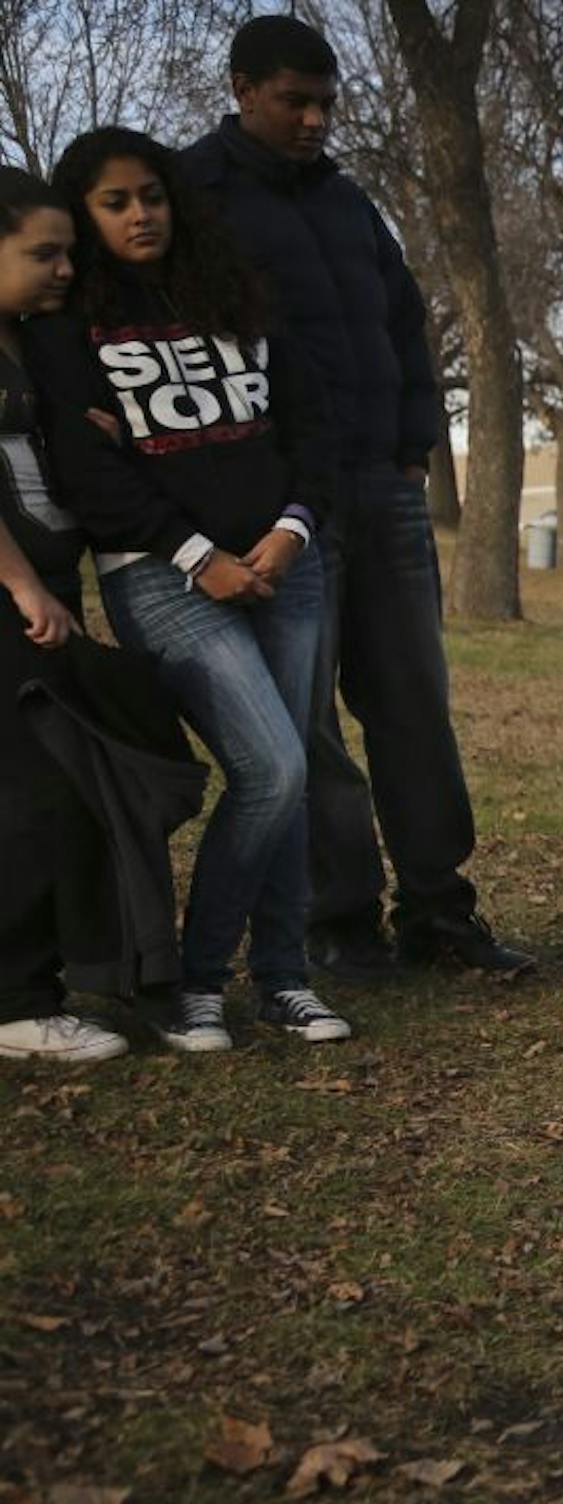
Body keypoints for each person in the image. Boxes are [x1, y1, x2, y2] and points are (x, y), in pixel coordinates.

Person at [181, 14, 532, 981]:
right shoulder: (191, 198)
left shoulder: (347, 202)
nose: (312, 121)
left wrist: (416, 446)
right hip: (281, 504)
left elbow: (404, 320)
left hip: (383, 487)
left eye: (326, 104)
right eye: (294, 101)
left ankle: (439, 912)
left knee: (414, 705)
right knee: (306, 725)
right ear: (244, 88)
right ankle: (339, 920)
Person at [31, 128, 348, 1050]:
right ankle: (197, 984)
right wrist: (195, 551)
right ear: (85, 216)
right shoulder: (65, 329)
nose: (141, 214)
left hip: (286, 565)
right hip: (162, 577)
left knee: (284, 773)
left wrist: (291, 532)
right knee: (272, 768)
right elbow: (92, 477)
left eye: (152, 195)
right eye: (116, 202)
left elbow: (309, 426)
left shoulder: (234, 293)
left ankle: (284, 980)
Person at [0, 165, 129, 1062]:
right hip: (15, 603)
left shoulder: (26, 342)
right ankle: (16, 1005)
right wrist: (20, 584)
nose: (62, 270)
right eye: (41, 253)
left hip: (46, 592)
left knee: (55, 789)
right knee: (30, 796)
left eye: (68, 254)